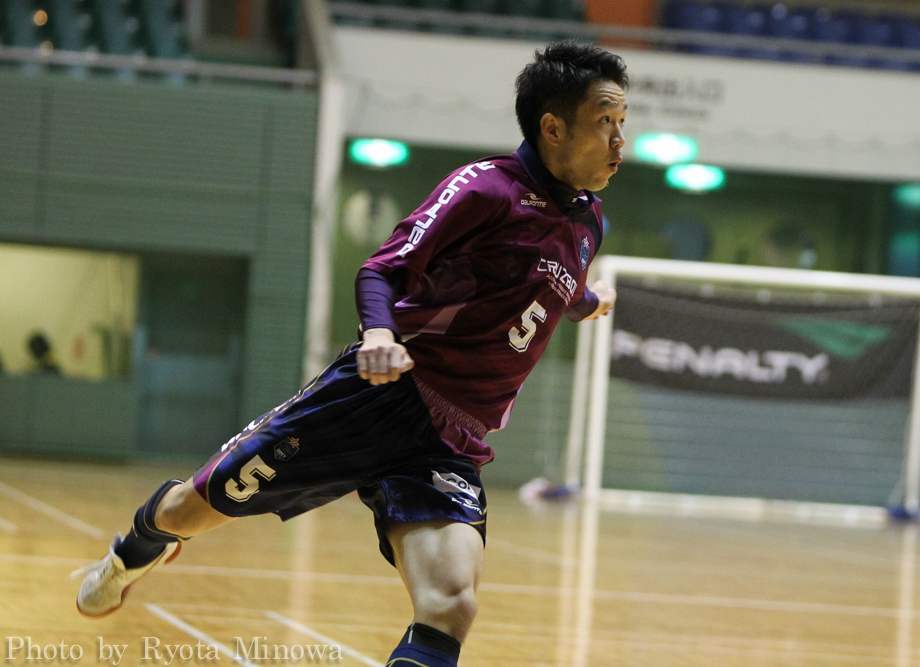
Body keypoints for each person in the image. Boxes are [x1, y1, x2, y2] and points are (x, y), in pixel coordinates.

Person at [73, 40, 626, 667]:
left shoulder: (588, 223)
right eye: (605, 121)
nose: (619, 140)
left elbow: (552, 287)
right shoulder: (484, 190)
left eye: (622, 122)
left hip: (449, 442)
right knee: (192, 509)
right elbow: (381, 270)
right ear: (553, 127)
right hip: (376, 398)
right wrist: (380, 335)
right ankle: (134, 551)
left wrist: (589, 300)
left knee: (451, 605)